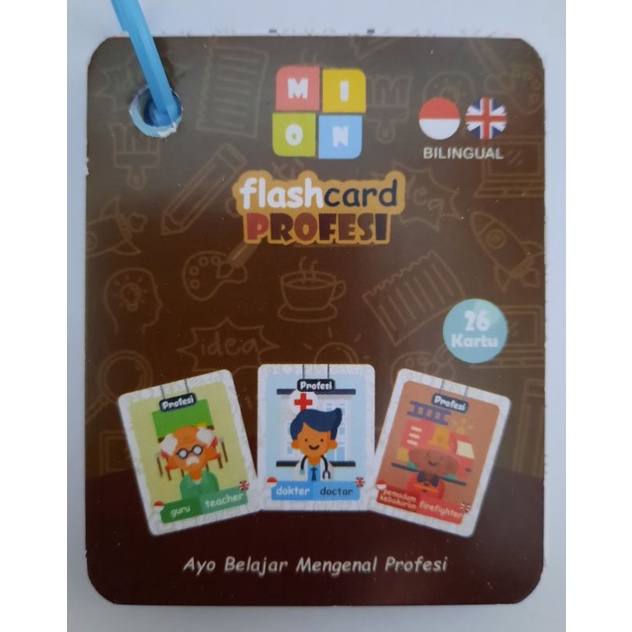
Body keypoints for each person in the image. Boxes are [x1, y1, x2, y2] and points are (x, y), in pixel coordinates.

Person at [159, 425, 221, 499]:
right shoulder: (184, 484)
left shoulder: (211, 478)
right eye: (182, 454)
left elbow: (218, 497)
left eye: (197, 450)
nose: (191, 456)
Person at [289, 407, 343, 482]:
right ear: (297, 443)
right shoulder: (299, 467)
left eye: (321, 440)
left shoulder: (328, 467)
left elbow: (330, 483)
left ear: (330, 442)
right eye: (306, 440)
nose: (314, 443)